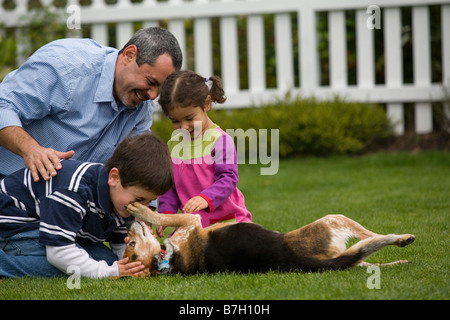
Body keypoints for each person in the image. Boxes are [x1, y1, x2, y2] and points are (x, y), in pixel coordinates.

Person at [0, 27, 182, 183]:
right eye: (150, 81)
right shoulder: (67, 67)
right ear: (129, 55)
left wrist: (146, 212)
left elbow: (139, 165)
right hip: (7, 184)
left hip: (65, 204)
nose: (152, 96)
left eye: (160, 89)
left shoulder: (141, 108)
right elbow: (4, 104)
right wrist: (31, 150)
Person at [0, 133, 173, 278]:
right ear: (114, 178)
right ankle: (4, 265)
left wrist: (139, 259)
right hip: (14, 224)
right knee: (76, 265)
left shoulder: (121, 200)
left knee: (104, 257)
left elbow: (120, 245)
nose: (143, 207)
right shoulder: (74, 191)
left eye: (149, 201)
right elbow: (59, 252)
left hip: (41, 226)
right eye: (140, 199)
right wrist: (109, 271)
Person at [156, 70, 252, 236]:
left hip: (225, 221)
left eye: (189, 118)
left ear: (206, 103)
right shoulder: (173, 145)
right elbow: (169, 186)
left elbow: (228, 178)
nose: (184, 127)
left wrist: (205, 198)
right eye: (175, 121)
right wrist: (167, 214)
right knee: (173, 256)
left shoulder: (220, 140)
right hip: (192, 224)